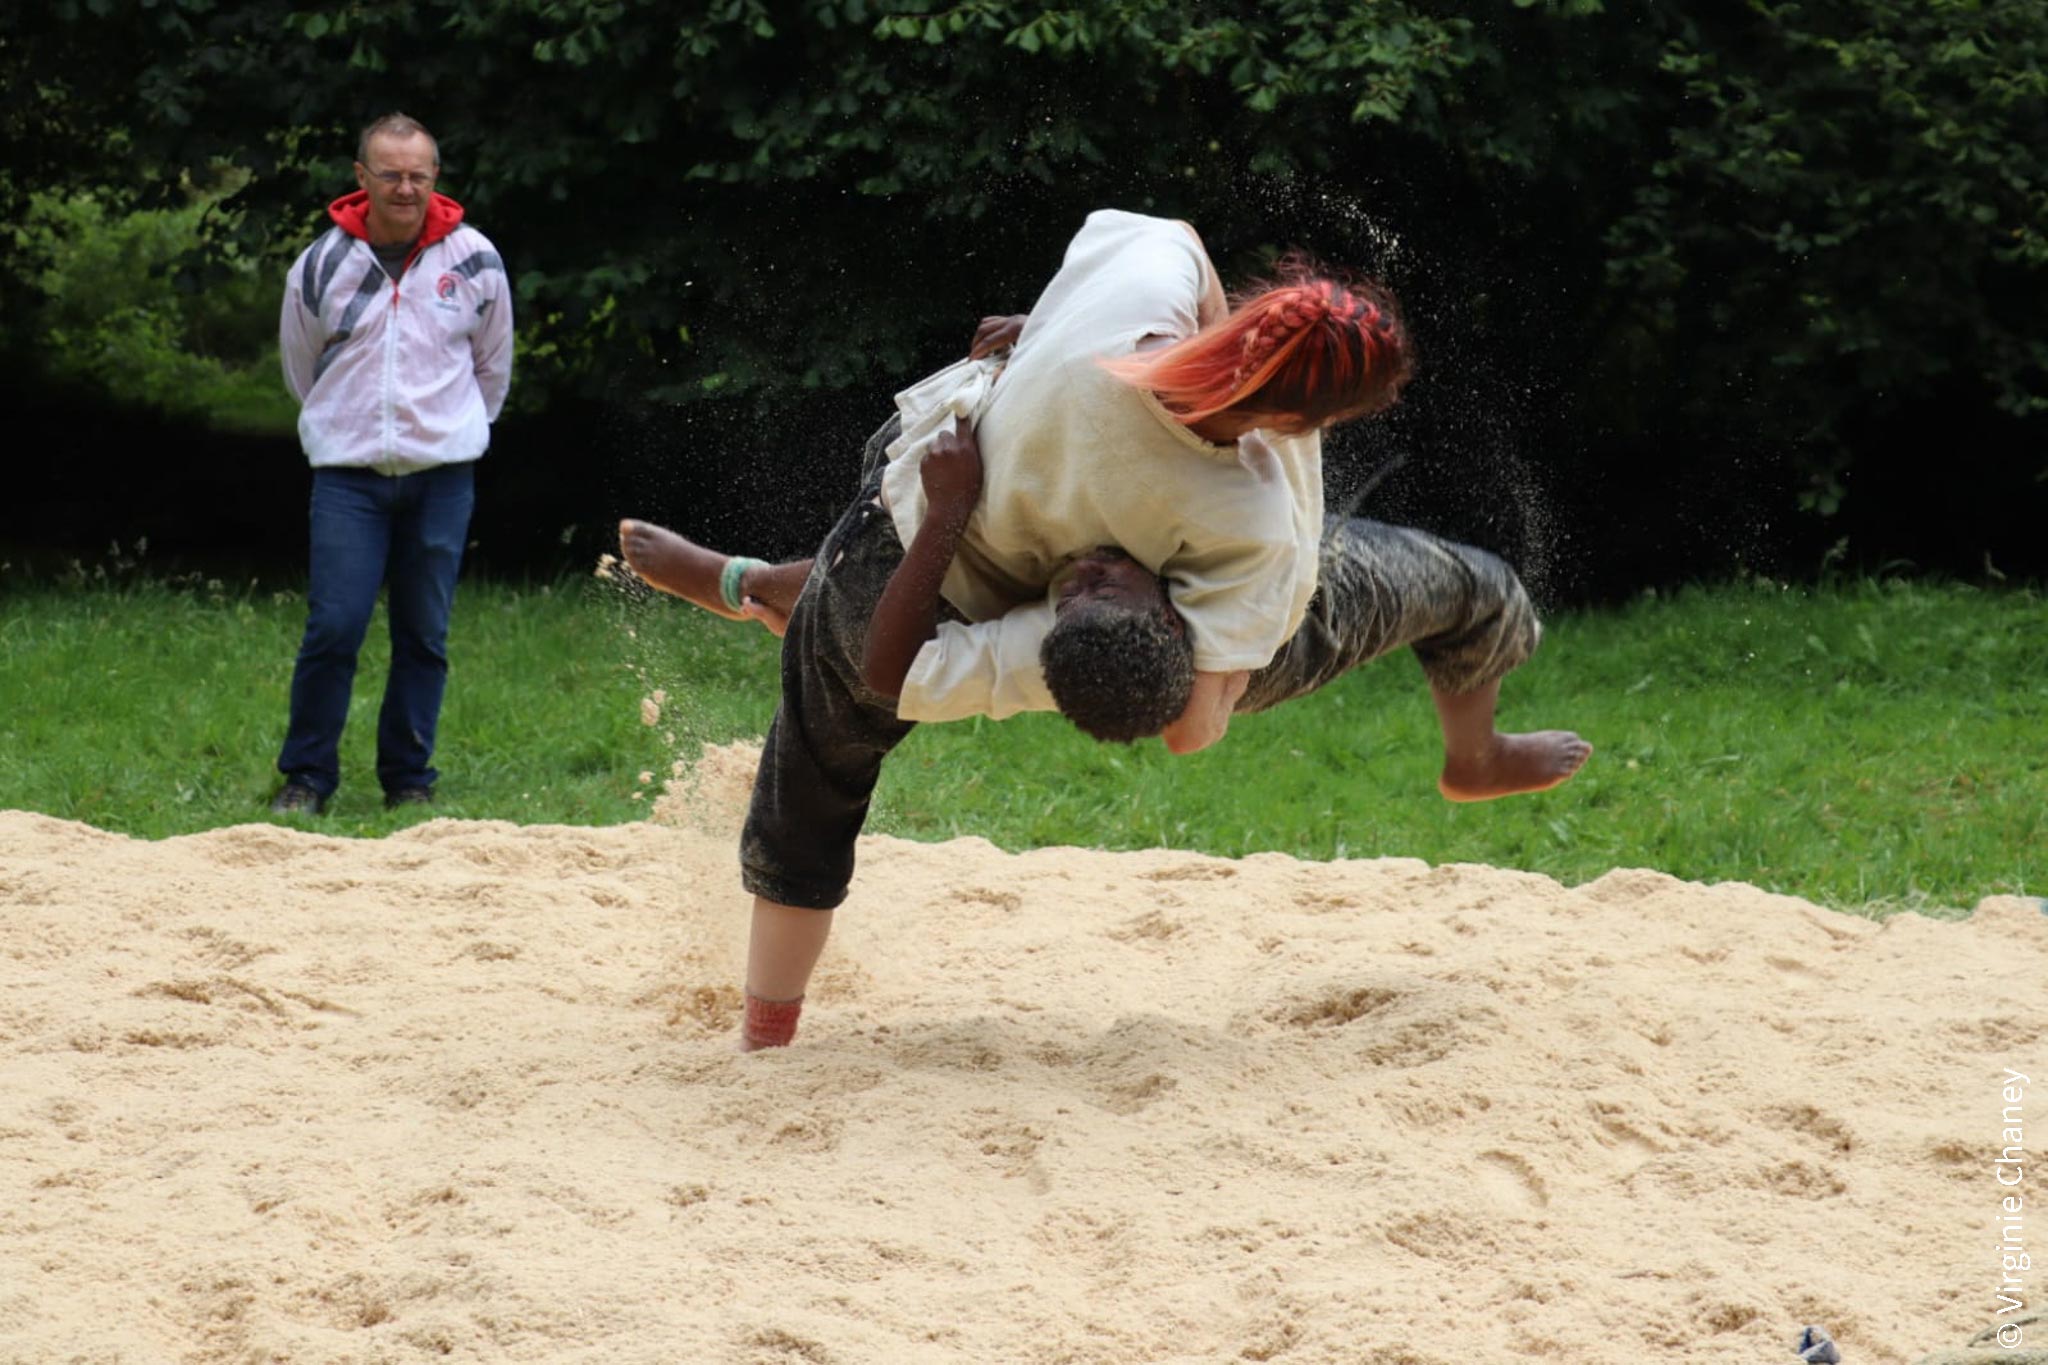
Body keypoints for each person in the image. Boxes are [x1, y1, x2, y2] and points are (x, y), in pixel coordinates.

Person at [618, 419, 1588, 1051]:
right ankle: (1473, 755)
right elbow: (1188, 727)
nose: (1086, 569)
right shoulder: (1190, 614)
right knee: (1474, 584)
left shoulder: (1042, 636)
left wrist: (948, 504)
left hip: (1202, 633)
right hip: (1217, 626)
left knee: (858, 606)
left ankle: (1474, 758)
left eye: (1087, 583)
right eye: (1089, 579)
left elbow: (882, 657)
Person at [267, 113, 514, 815]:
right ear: (362, 177)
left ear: (435, 177)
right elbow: (301, 371)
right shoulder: (319, 265)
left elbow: (492, 369)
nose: (405, 188)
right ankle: (307, 777)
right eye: (390, 174)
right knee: (334, 627)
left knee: (424, 635)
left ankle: (408, 779)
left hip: (443, 480)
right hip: (348, 479)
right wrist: (350, 428)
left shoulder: (475, 260)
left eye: (418, 175)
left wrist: (447, 433)